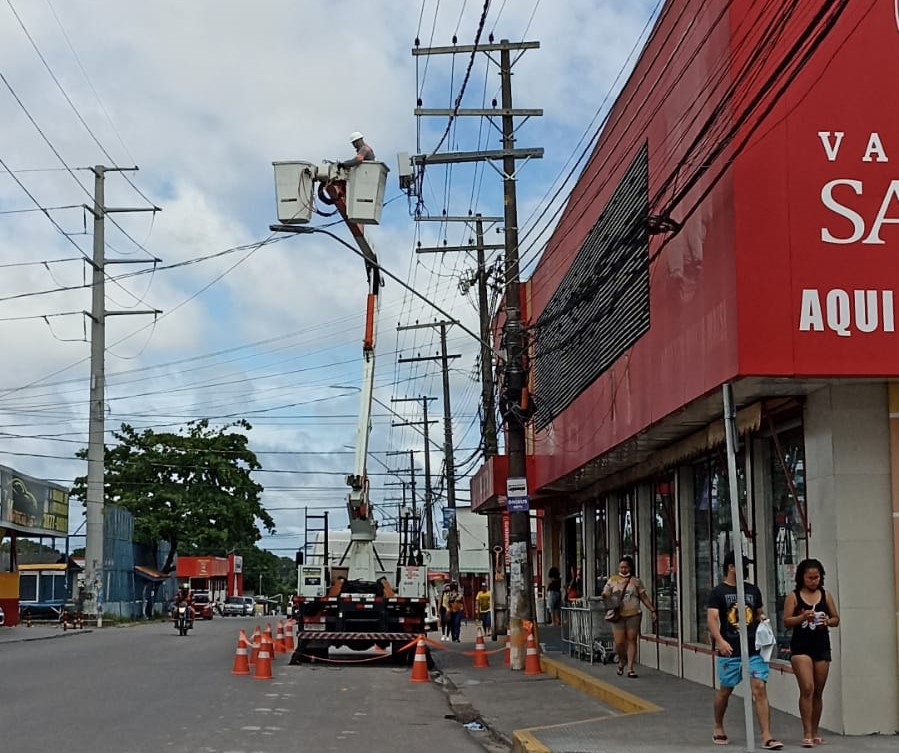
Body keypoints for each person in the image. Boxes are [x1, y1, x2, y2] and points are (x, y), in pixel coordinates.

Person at [707, 551, 783, 750]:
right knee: (725, 690)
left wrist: (762, 619)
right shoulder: (718, 592)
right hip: (730, 650)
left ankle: (767, 736)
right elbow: (712, 619)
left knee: (759, 687)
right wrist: (720, 641)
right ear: (731, 567)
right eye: (742, 565)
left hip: (753, 649)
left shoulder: (753, 590)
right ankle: (718, 725)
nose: (746, 569)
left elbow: (757, 612)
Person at [783, 558, 839, 747]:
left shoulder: (825, 595)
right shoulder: (794, 596)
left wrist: (827, 621)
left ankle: (815, 731)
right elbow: (786, 621)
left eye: (817, 577)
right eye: (810, 578)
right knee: (807, 688)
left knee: (818, 691)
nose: (814, 581)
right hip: (801, 647)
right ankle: (806, 732)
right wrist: (802, 617)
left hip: (821, 646)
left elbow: (836, 618)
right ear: (802, 578)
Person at [601, 556, 656, 678]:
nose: (623, 569)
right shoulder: (613, 580)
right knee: (619, 642)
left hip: (633, 614)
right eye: (621, 567)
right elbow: (605, 593)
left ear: (630, 568)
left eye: (625, 567)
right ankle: (622, 660)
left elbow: (643, 597)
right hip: (617, 615)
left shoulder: (636, 581)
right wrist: (606, 596)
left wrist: (652, 610)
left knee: (632, 639)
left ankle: (630, 668)